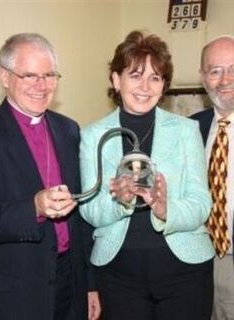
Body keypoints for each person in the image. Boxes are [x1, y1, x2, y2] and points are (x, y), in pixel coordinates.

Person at [0, 33, 101, 320]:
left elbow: (80, 217)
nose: (42, 86)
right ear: (5, 77)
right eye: (30, 75)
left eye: (49, 75)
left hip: (69, 285)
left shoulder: (69, 130)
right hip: (10, 294)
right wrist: (34, 207)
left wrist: (89, 285)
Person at [79, 30, 215, 320]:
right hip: (118, 276)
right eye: (135, 75)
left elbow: (201, 204)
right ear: (116, 80)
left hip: (186, 273)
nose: (145, 86)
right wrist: (119, 200)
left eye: (155, 77)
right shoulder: (92, 136)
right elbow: (90, 210)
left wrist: (167, 209)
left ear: (164, 85)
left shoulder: (185, 131)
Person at [191, 35, 234, 320]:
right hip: (198, 261)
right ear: (203, 77)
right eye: (215, 70)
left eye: (233, 68)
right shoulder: (190, 127)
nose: (225, 79)